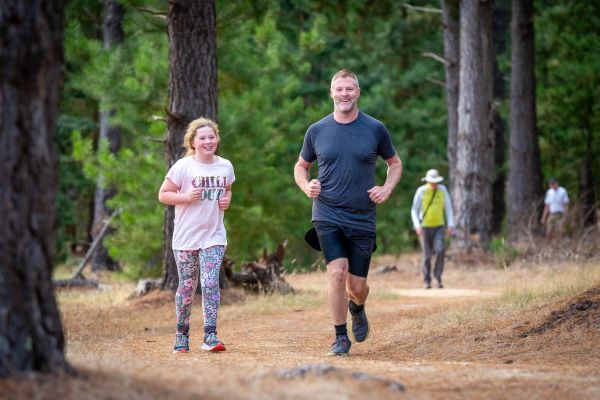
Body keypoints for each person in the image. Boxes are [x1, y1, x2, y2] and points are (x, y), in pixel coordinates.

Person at [294, 69, 403, 356]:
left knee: (358, 285)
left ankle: (358, 307)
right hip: (327, 212)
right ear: (331, 93)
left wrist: (386, 188)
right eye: (339, 89)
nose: (344, 94)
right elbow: (300, 167)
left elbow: (395, 163)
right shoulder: (317, 130)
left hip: (362, 216)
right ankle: (340, 336)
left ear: (358, 93)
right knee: (336, 273)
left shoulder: (375, 128)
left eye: (349, 89)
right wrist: (307, 186)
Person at [158, 117, 235, 354]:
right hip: (186, 238)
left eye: (211, 137)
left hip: (213, 236)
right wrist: (186, 197)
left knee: (210, 282)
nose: (208, 141)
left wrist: (226, 200)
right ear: (192, 142)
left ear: (217, 139)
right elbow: (163, 195)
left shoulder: (225, 166)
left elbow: (229, 189)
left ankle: (210, 335)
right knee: (187, 286)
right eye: (202, 138)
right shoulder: (183, 166)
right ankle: (181, 335)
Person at [410, 169, 454, 289]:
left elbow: (448, 207)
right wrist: (417, 226)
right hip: (424, 227)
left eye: (436, 181)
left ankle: (438, 278)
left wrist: (451, 224)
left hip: (439, 226)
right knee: (427, 254)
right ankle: (427, 281)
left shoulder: (442, 190)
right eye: (432, 182)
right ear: (428, 181)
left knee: (440, 250)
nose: (434, 184)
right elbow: (414, 209)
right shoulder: (421, 191)